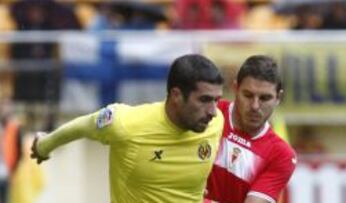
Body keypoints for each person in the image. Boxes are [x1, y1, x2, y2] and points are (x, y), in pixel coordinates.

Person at [30, 54, 225, 203]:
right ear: (176, 95)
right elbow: (83, 125)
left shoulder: (215, 123)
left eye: (216, 100)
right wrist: (44, 145)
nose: (213, 111)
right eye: (204, 100)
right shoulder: (125, 123)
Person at [205, 55, 297, 203]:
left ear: (278, 98)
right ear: (235, 89)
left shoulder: (281, 155)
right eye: (248, 95)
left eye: (264, 98)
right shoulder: (209, 114)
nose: (255, 106)